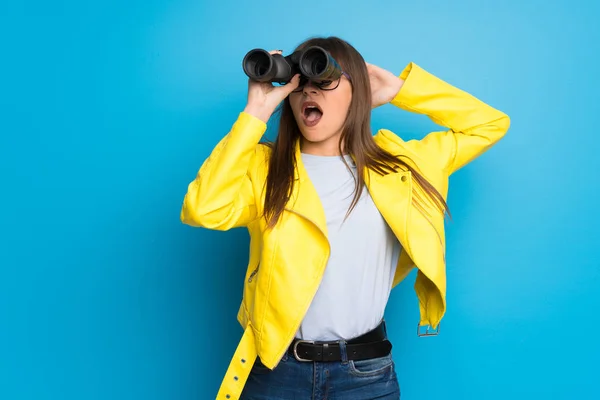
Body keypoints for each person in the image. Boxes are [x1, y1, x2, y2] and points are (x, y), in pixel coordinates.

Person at [180, 36, 510, 400]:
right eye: (299, 83)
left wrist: (402, 89)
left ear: (358, 92)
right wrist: (254, 114)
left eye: (324, 80)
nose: (309, 93)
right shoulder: (265, 169)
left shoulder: (401, 167)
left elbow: (489, 124)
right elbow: (203, 208)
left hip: (365, 374)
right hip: (276, 372)